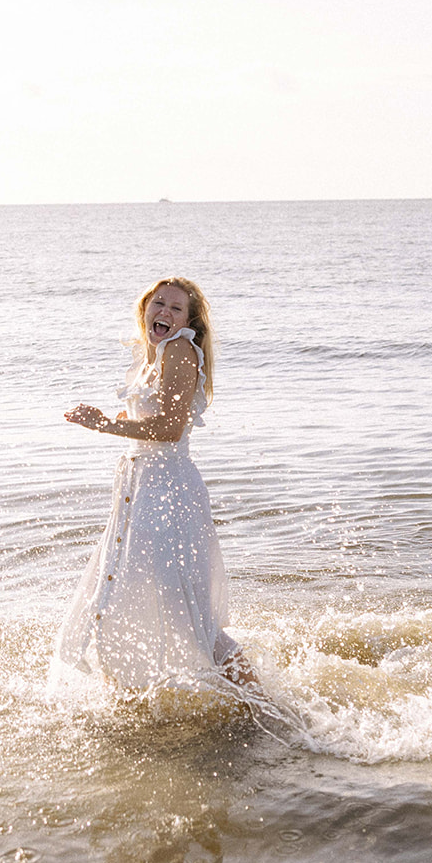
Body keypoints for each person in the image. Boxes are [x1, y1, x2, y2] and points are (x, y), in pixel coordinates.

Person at [53, 277, 255, 692]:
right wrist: (118, 422)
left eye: (175, 308)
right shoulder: (153, 355)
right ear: (143, 308)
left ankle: (262, 701)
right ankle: (128, 696)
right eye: (157, 303)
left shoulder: (179, 350)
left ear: (188, 321)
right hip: (140, 487)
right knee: (123, 595)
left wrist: (106, 425)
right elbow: (153, 425)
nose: (164, 312)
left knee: (182, 607)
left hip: (166, 493)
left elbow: (169, 428)